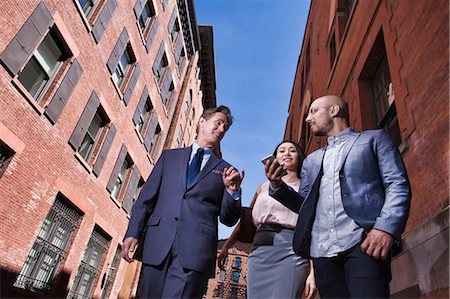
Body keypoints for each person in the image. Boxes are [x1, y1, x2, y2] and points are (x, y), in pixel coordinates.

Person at [266, 95, 411, 298]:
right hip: (322, 252)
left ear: (333, 111)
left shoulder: (374, 139)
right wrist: (276, 185)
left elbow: (397, 184)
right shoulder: (311, 161)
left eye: (314, 111)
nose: (308, 119)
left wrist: (385, 228)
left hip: (364, 243)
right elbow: (304, 205)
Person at [121, 105, 245, 298]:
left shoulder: (227, 171)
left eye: (225, 128)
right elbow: (146, 198)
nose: (221, 130)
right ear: (202, 121)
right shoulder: (169, 157)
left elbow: (228, 219)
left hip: (194, 252)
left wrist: (232, 191)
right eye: (218, 123)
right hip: (158, 242)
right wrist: (133, 232)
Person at [217, 141, 316, 299]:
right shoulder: (264, 186)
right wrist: (226, 247)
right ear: (275, 158)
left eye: (292, 150)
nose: (287, 153)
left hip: (292, 252)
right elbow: (246, 220)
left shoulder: (305, 187)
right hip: (260, 251)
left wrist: (313, 272)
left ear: (300, 157)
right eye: (282, 151)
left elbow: (312, 228)